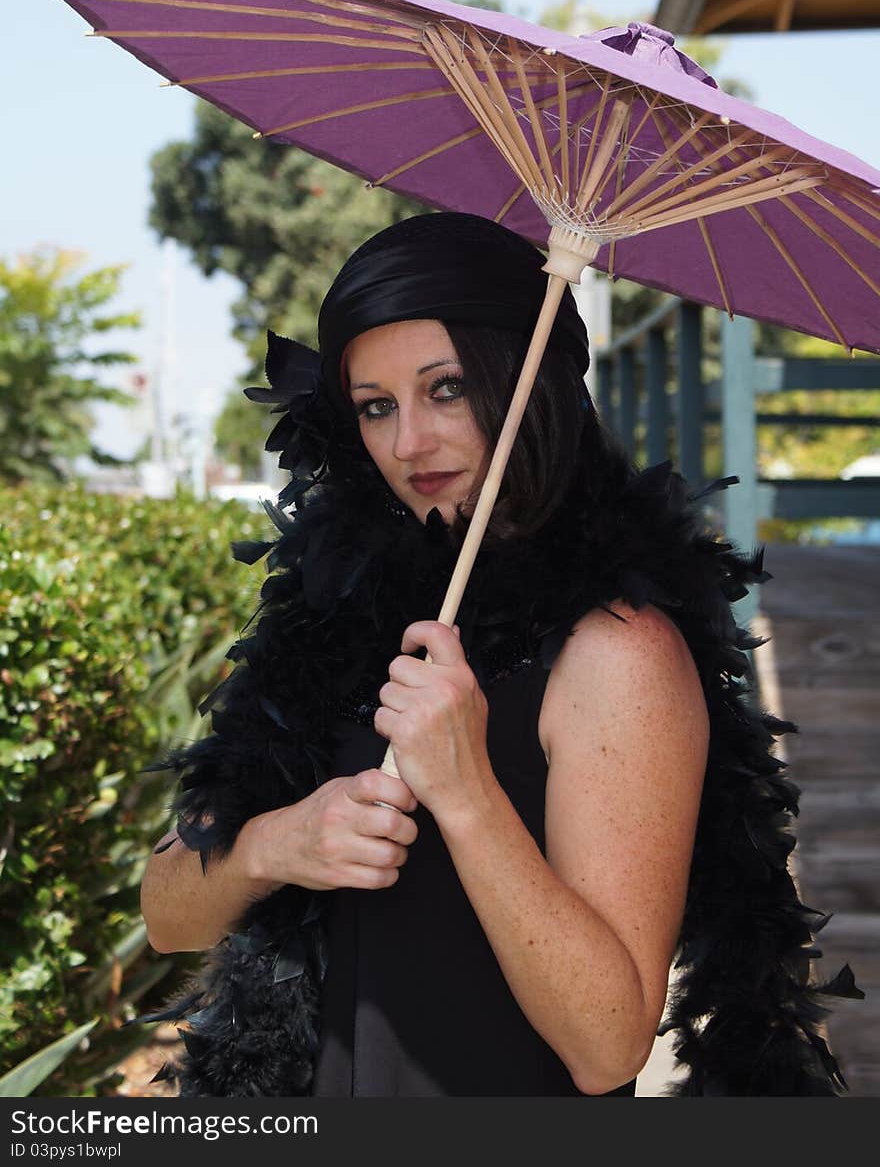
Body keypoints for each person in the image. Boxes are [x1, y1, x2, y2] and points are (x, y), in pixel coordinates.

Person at [140, 213, 859, 1098]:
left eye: (446, 390)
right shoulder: (335, 608)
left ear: (529, 387)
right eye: (376, 405)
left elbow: (608, 1044)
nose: (409, 441)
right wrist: (273, 844)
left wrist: (468, 791)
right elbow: (164, 910)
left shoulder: (620, 652)